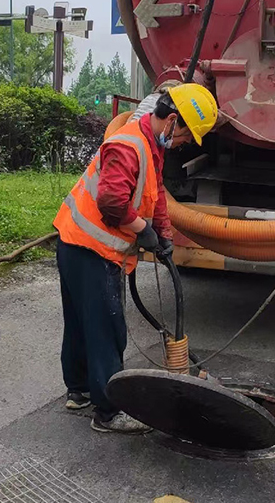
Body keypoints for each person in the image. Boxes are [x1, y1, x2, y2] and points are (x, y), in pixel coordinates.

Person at [53, 84, 218, 434]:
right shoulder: (128, 145)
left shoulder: (149, 145)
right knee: (106, 330)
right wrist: (143, 230)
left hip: (77, 243)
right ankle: (108, 412)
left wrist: (164, 236)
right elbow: (112, 202)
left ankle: (79, 391)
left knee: (85, 324)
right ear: (173, 120)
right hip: (90, 249)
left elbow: (155, 193)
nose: (186, 144)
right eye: (188, 136)